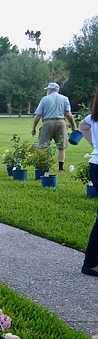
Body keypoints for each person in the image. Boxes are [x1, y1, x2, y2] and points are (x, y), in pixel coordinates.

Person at [32, 82, 77, 172]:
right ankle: (61, 167)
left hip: (47, 122)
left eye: (48, 89)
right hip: (61, 122)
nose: (47, 91)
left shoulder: (45, 99)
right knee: (61, 146)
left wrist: (34, 128)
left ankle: (44, 166)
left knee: (43, 146)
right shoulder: (65, 99)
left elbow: (38, 115)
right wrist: (73, 126)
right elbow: (68, 114)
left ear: (51, 90)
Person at [81, 85, 98, 277]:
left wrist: (95, 145)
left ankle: (92, 261)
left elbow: (83, 126)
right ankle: (91, 263)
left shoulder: (95, 113)